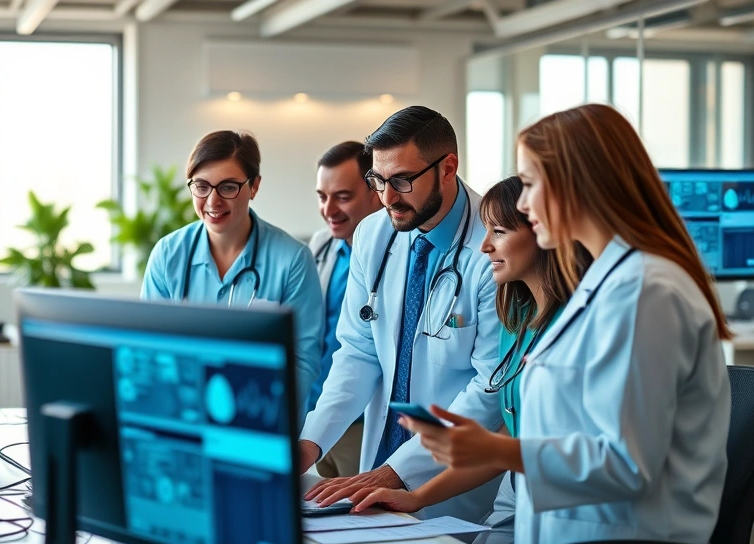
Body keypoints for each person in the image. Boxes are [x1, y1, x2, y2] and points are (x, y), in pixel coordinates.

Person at [397, 103, 732, 544]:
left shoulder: (647, 291)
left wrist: (494, 449)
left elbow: (626, 463)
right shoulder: (603, 286)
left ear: (576, 183)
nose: (524, 204)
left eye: (530, 183)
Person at [351, 175, 590, 544]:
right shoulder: (516, 318)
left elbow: (547, 449)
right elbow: (509, 438)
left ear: (542, 231)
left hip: (567, 510)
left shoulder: (577, 326)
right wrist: (415, 497)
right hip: (516, 495)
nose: (484, 245)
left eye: (499, 231)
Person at [299, 106, 503, 522]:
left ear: (448, 168)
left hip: (450, 483)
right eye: (378, 180)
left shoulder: (494, 247)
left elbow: (489, 388)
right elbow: (358, 352)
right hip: (377, 465)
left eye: (402, 181)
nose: (387, 197)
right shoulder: (373, 234)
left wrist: (397, 471)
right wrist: (311, 441)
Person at [142, 130, 324, 425]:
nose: (213, 201)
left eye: (228, 187)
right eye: (201, 186)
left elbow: (303, 361)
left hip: (260, 419)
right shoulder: (167, 255)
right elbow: (151, 349)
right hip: (183, 415)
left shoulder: (292, 260)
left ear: (254, 186)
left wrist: (254, 412)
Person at [308, 141, 384, 478]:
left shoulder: (393, 255)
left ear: (375, 191)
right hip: (315, 415)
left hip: (360, 421)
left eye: (342, 196)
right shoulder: (321, 245)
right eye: (322, 197)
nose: (329, 210)